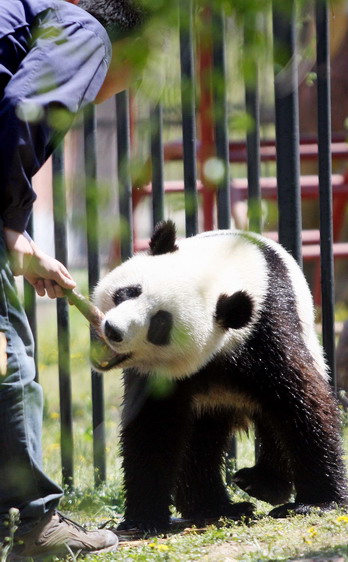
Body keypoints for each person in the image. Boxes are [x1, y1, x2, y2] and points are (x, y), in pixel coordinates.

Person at [0, 0, 149, 557]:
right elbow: (22, 107)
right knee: (5, 355)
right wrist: (11, 226)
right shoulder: (87, 33)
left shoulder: (29, 21)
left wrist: (17, 239)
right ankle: (36, 523)